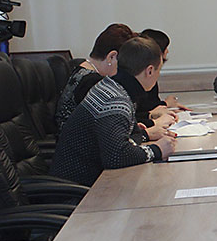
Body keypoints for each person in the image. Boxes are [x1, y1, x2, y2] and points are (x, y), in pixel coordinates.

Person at [51, 36, 177, 186]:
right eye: (159, 70)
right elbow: (116, 156)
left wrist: (141, 135)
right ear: (149, 71)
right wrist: (157, 149)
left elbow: (115, 141)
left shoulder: (110, 87)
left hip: (86, 179)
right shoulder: (115, 100)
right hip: (79, 189)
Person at [54, 23, 135, 133]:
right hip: (81, 142)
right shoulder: (93, 82)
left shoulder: (81, 70)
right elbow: (108, 128)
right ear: (112, 57)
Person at [135, 28, 190, 126]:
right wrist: (165, 104)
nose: (167, 52)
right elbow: (142, 110)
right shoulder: (141, 79)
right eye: (166, 48)